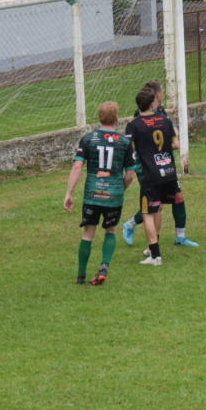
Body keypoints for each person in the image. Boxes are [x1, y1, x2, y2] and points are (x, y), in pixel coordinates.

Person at [64, 101, 136, 285]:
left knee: (88, 233)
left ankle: (80, 276)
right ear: (116, 118)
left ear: (99, 117)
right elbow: (129, 175)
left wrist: (69, 193)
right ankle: (104, 266)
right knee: (110, 230)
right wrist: (120, 189)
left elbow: (77, 165)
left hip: (92, 194)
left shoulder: (88, 139)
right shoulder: (125, 143)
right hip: (114, 196)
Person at [121, 79, 197, 248]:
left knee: (178, 198)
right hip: (146, 167)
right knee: (156, 205)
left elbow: (172, 136)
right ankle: (132, 226)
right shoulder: (140, 116)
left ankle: (180, 237)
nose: (163, 94)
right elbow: (146, 143)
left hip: (164, 163)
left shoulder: (161, 111)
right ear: (156, 95)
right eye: (162, 92)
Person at [125, 86, 181, 266]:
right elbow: (176, 144)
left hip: (151, 174)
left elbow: (128, 149)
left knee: (147, 212)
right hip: (169, 171)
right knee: (157, 209)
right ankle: (152, 246)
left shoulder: (134, 124)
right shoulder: (164, 120)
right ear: (152, 103)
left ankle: (155, 256)